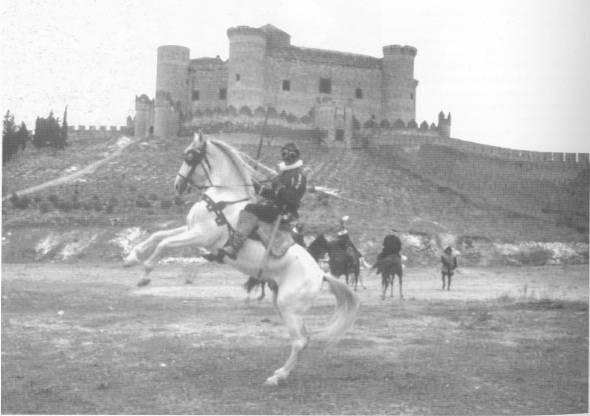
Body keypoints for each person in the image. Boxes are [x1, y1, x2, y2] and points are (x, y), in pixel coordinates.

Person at [220, 142, 307, 260]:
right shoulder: (284, 173)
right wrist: (259, 189)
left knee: (250, 208)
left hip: (285, 212)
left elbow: (293, 199)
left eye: (290, 154)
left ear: (295, 156)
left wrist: (279, 187)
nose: (286, 157)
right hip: (275, 207)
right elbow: (275, 194)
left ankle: (234, 245)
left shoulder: (298, 175)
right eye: (284, 153)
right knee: (251, 206)